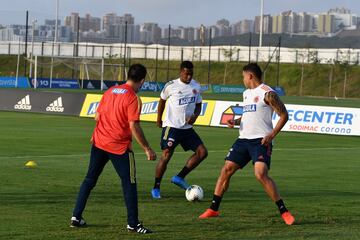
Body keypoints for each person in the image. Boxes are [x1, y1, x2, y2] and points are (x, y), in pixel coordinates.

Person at [199, 63, 295, 225]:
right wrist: (235, 121)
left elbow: (284, 115)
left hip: (260, 141)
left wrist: (271, 135)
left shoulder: (267, 93)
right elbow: (250, 114)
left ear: (250, 76)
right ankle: (213, 209)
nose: (242, 79)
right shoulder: (246, 94)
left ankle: (284, 211)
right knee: (226, 170)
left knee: (260, 174)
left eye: (243, 76)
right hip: (243, 140)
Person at [70, 64, 157, 234]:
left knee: (89, 180)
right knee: (129, 183)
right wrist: (147, 148)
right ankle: (133, 224)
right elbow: (134, 126)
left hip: (99, 142)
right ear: (142, 81)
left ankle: (76, 217)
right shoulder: (132, 97)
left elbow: (97, 116)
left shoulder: (110, 91)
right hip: (119, 146)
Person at [151, 61, 208, 199]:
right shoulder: (171, 86)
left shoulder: (196, 86)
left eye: (191, 74)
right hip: (172, 127)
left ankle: (179, 177)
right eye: (186, 74)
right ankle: (156, 187)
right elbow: (162, 101)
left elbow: (199, 105)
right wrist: (159, 119)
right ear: (181, 72)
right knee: (166, 154)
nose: (189, 77)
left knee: (202, 152)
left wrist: (195, 116)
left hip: (187, 128)